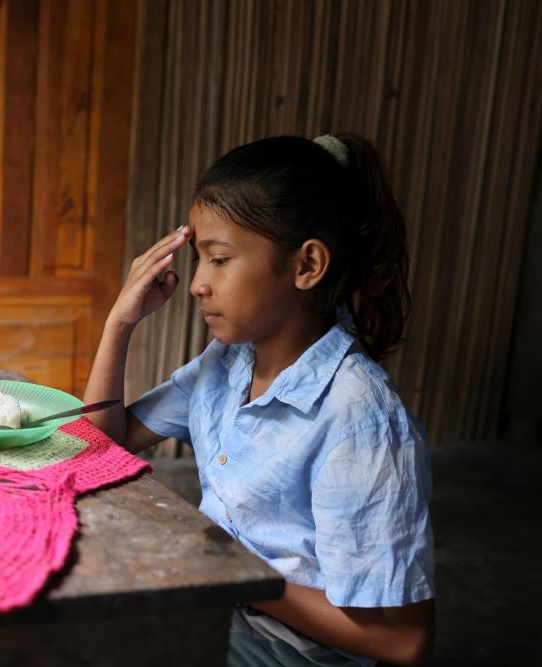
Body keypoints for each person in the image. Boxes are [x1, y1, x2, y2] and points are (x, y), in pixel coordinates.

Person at [83, 134, 435, 666]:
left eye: (219, 259)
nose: (198, 284)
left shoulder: (357, 417)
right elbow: (101, 445)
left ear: (307, 266)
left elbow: (401, 641)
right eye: (198, 259)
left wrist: (233, 574)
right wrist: (119, 323)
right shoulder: (226, 365)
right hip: (224, 610)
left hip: (295, 652)